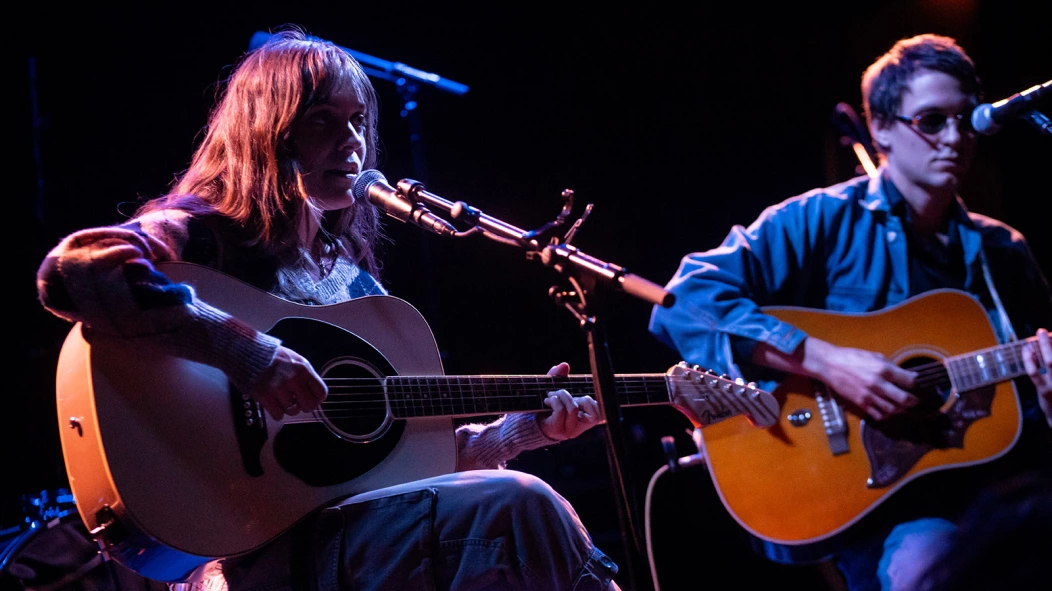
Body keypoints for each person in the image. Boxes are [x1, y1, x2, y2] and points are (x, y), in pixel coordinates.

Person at [35, 24, 621, 591]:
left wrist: (520, 432)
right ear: (270, 131)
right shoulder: (203, 234)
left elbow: (400, 469)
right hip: (244, 555)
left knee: (516, 512)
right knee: (521, 505)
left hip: (349, 537)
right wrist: (246, 354)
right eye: (323, 120)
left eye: (358, 122)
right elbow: (75, 270)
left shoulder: (355, 287)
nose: (352, 141)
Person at [648, 33, 1052, 591]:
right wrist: (826, 361)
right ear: (881, 128)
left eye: (966, 119)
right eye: (932, 121)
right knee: (931, 568)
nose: (955, 137)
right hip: (886, 509)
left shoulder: (1002, 250)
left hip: (1002, 491)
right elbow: (685, 301)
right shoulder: (820, 219)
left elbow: (1029, 400)